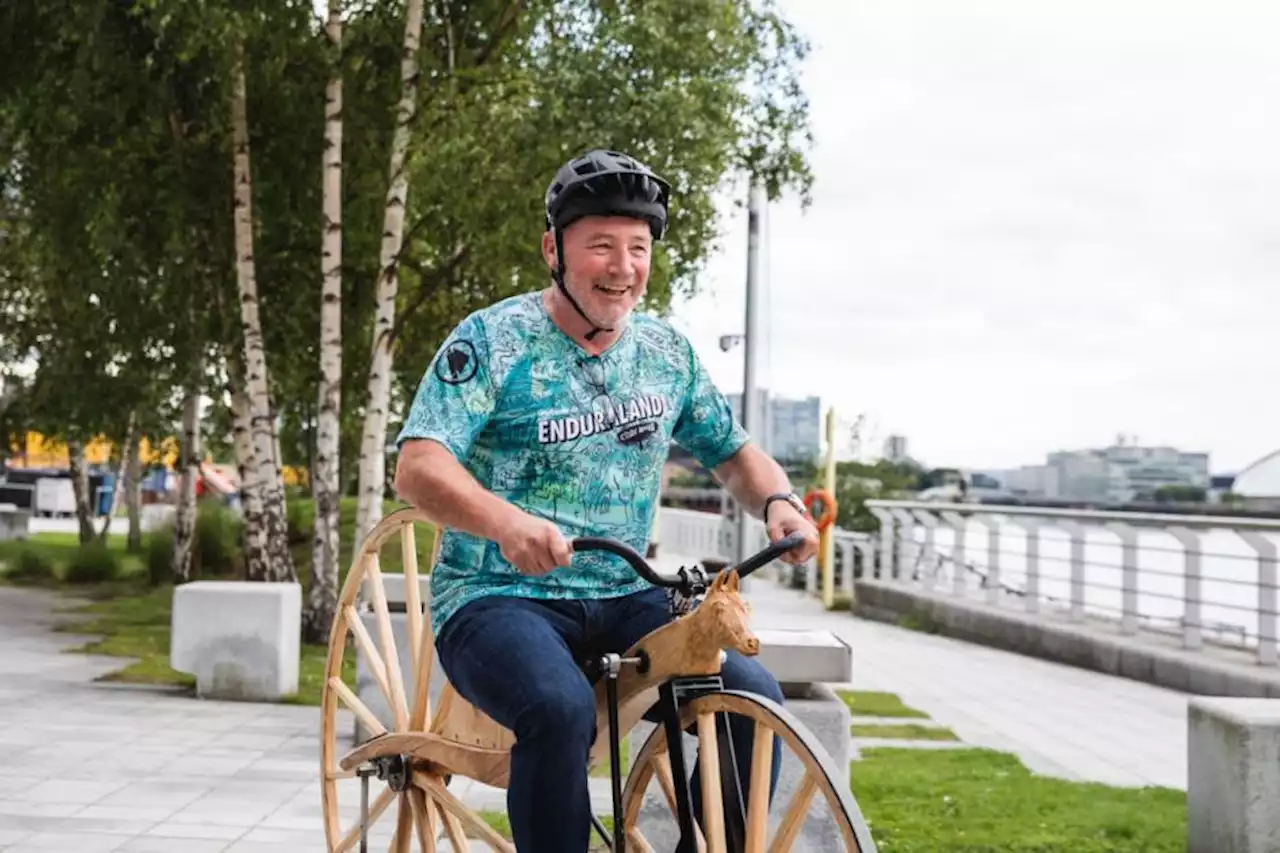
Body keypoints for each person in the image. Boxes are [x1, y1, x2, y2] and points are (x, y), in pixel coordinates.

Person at [393, 148, 819, 852]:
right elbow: (417, 466)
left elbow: (734, 452)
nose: (622, 267)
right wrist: (506, 523)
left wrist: (778, 499)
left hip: (630, 595)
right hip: (498, 596)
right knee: (559, 708)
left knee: (752, 693)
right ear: (553, 250)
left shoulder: (666, 355)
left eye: (638, 247)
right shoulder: (493, 340)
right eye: (601, 246)